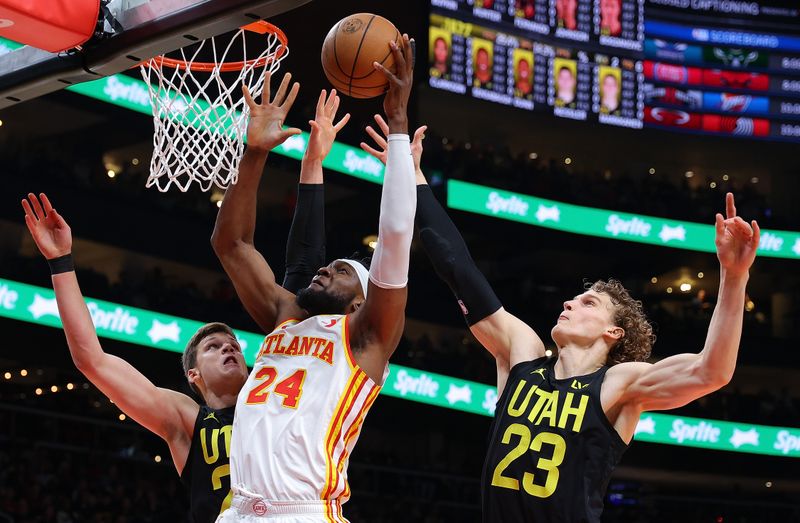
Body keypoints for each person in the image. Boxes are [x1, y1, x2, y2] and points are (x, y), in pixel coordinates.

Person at [361, 122, 760, 522]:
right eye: (574, 298)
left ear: (613, 332)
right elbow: (458, 268)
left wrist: (734, 276)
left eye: (589, 303)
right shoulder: (524, 355)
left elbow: (712, 371)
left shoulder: (618, 383)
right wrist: (412, 177)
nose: (569, 303)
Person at [18, 82, 342, 522]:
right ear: (193, 376)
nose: (229, 347)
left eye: (232, 344)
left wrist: (311, 164)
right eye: (213, 347)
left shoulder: (269, 396)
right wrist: (61, 262)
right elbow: (90, 359)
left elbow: (302, 277)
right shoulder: (186, 420)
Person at [210, 35, 417, 522]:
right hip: (237, 512)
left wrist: (400, 124)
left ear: (359, 302)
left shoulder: (365, 337)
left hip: (304, 511)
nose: (325, 268)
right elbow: (231, 244)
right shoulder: (284, 316)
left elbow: (395, 238)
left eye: (342, 271)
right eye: (330, 265)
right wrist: (255, 153)